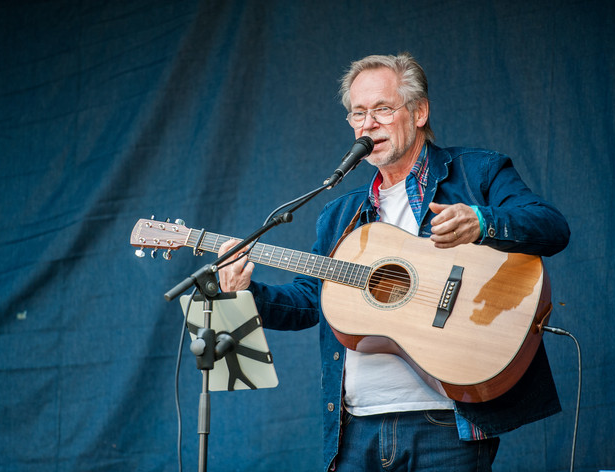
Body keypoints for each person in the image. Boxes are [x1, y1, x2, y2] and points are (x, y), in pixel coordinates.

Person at [218, 53, 570, 472]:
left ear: (419, 111)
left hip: (447, 425)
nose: (368, 124)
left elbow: (552, 227)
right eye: (357, 113)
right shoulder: (339, 213)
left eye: (382, 109)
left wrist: (481, 221)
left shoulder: (478, 173)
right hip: (355, 429)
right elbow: (309, 302)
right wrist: (244, 293)